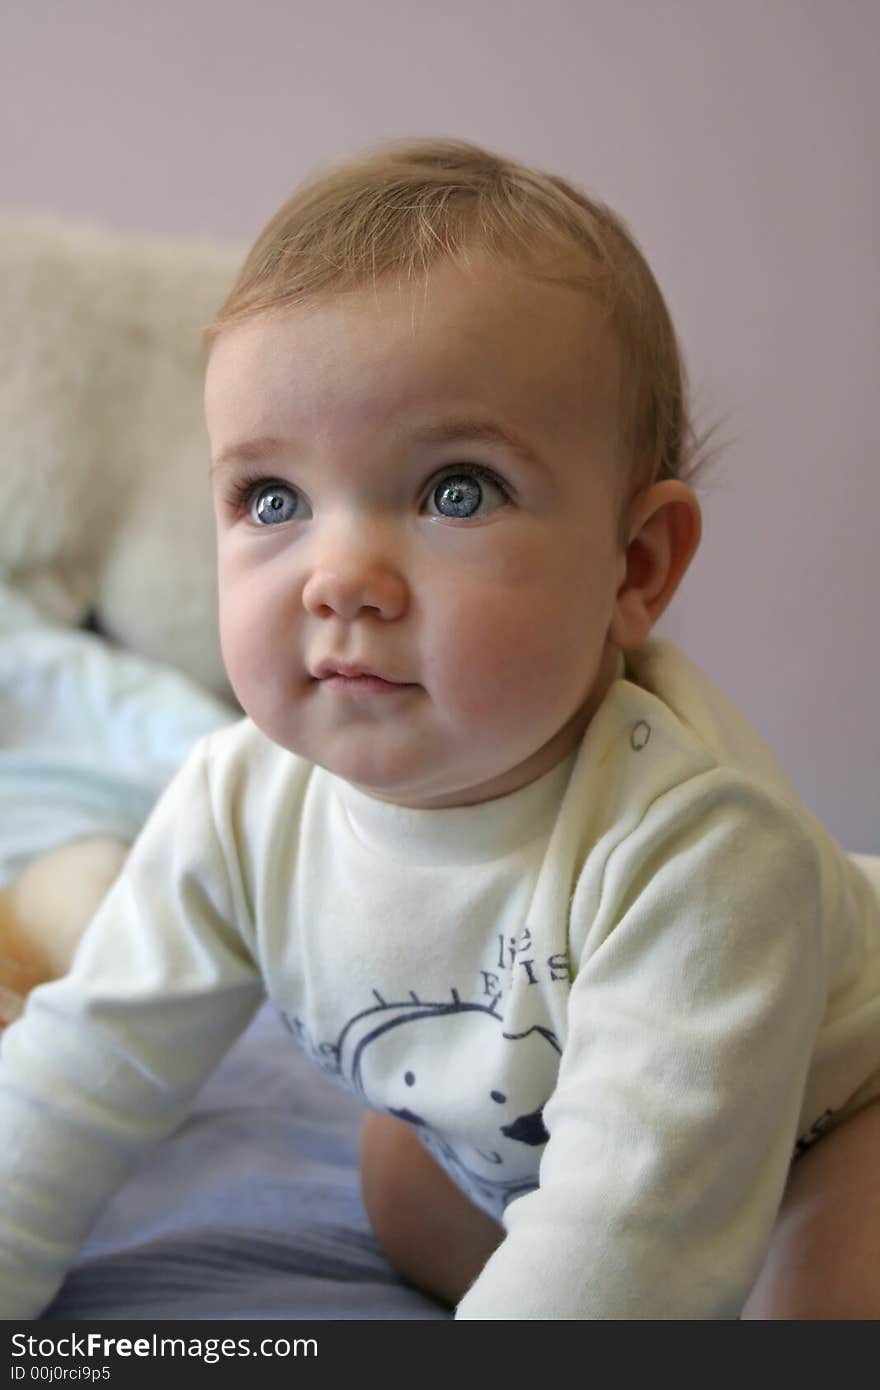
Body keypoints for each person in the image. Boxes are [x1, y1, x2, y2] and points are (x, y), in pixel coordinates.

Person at [1, 138, 879, 1320]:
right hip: (543, 1128)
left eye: (454, 490)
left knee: (812, 1303)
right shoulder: (236, 803)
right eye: (273, 499)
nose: (339, 577)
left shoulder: (701, 856)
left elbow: (633, 1235)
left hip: (837, 1112)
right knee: (400, 1178)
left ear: (634, 565)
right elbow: (80, 1067)